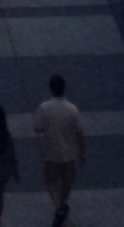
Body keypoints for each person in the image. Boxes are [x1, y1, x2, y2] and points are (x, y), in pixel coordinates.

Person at [34, 73, 88, 226]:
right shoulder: (72, 109)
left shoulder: (44, 108)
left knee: (50, 181)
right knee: (67, 181)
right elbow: (79, 133)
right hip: (69, 153)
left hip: (51, 153)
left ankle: (58, 207)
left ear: (51, 89)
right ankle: (62, 205)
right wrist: (82, 152)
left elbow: (38, 128)